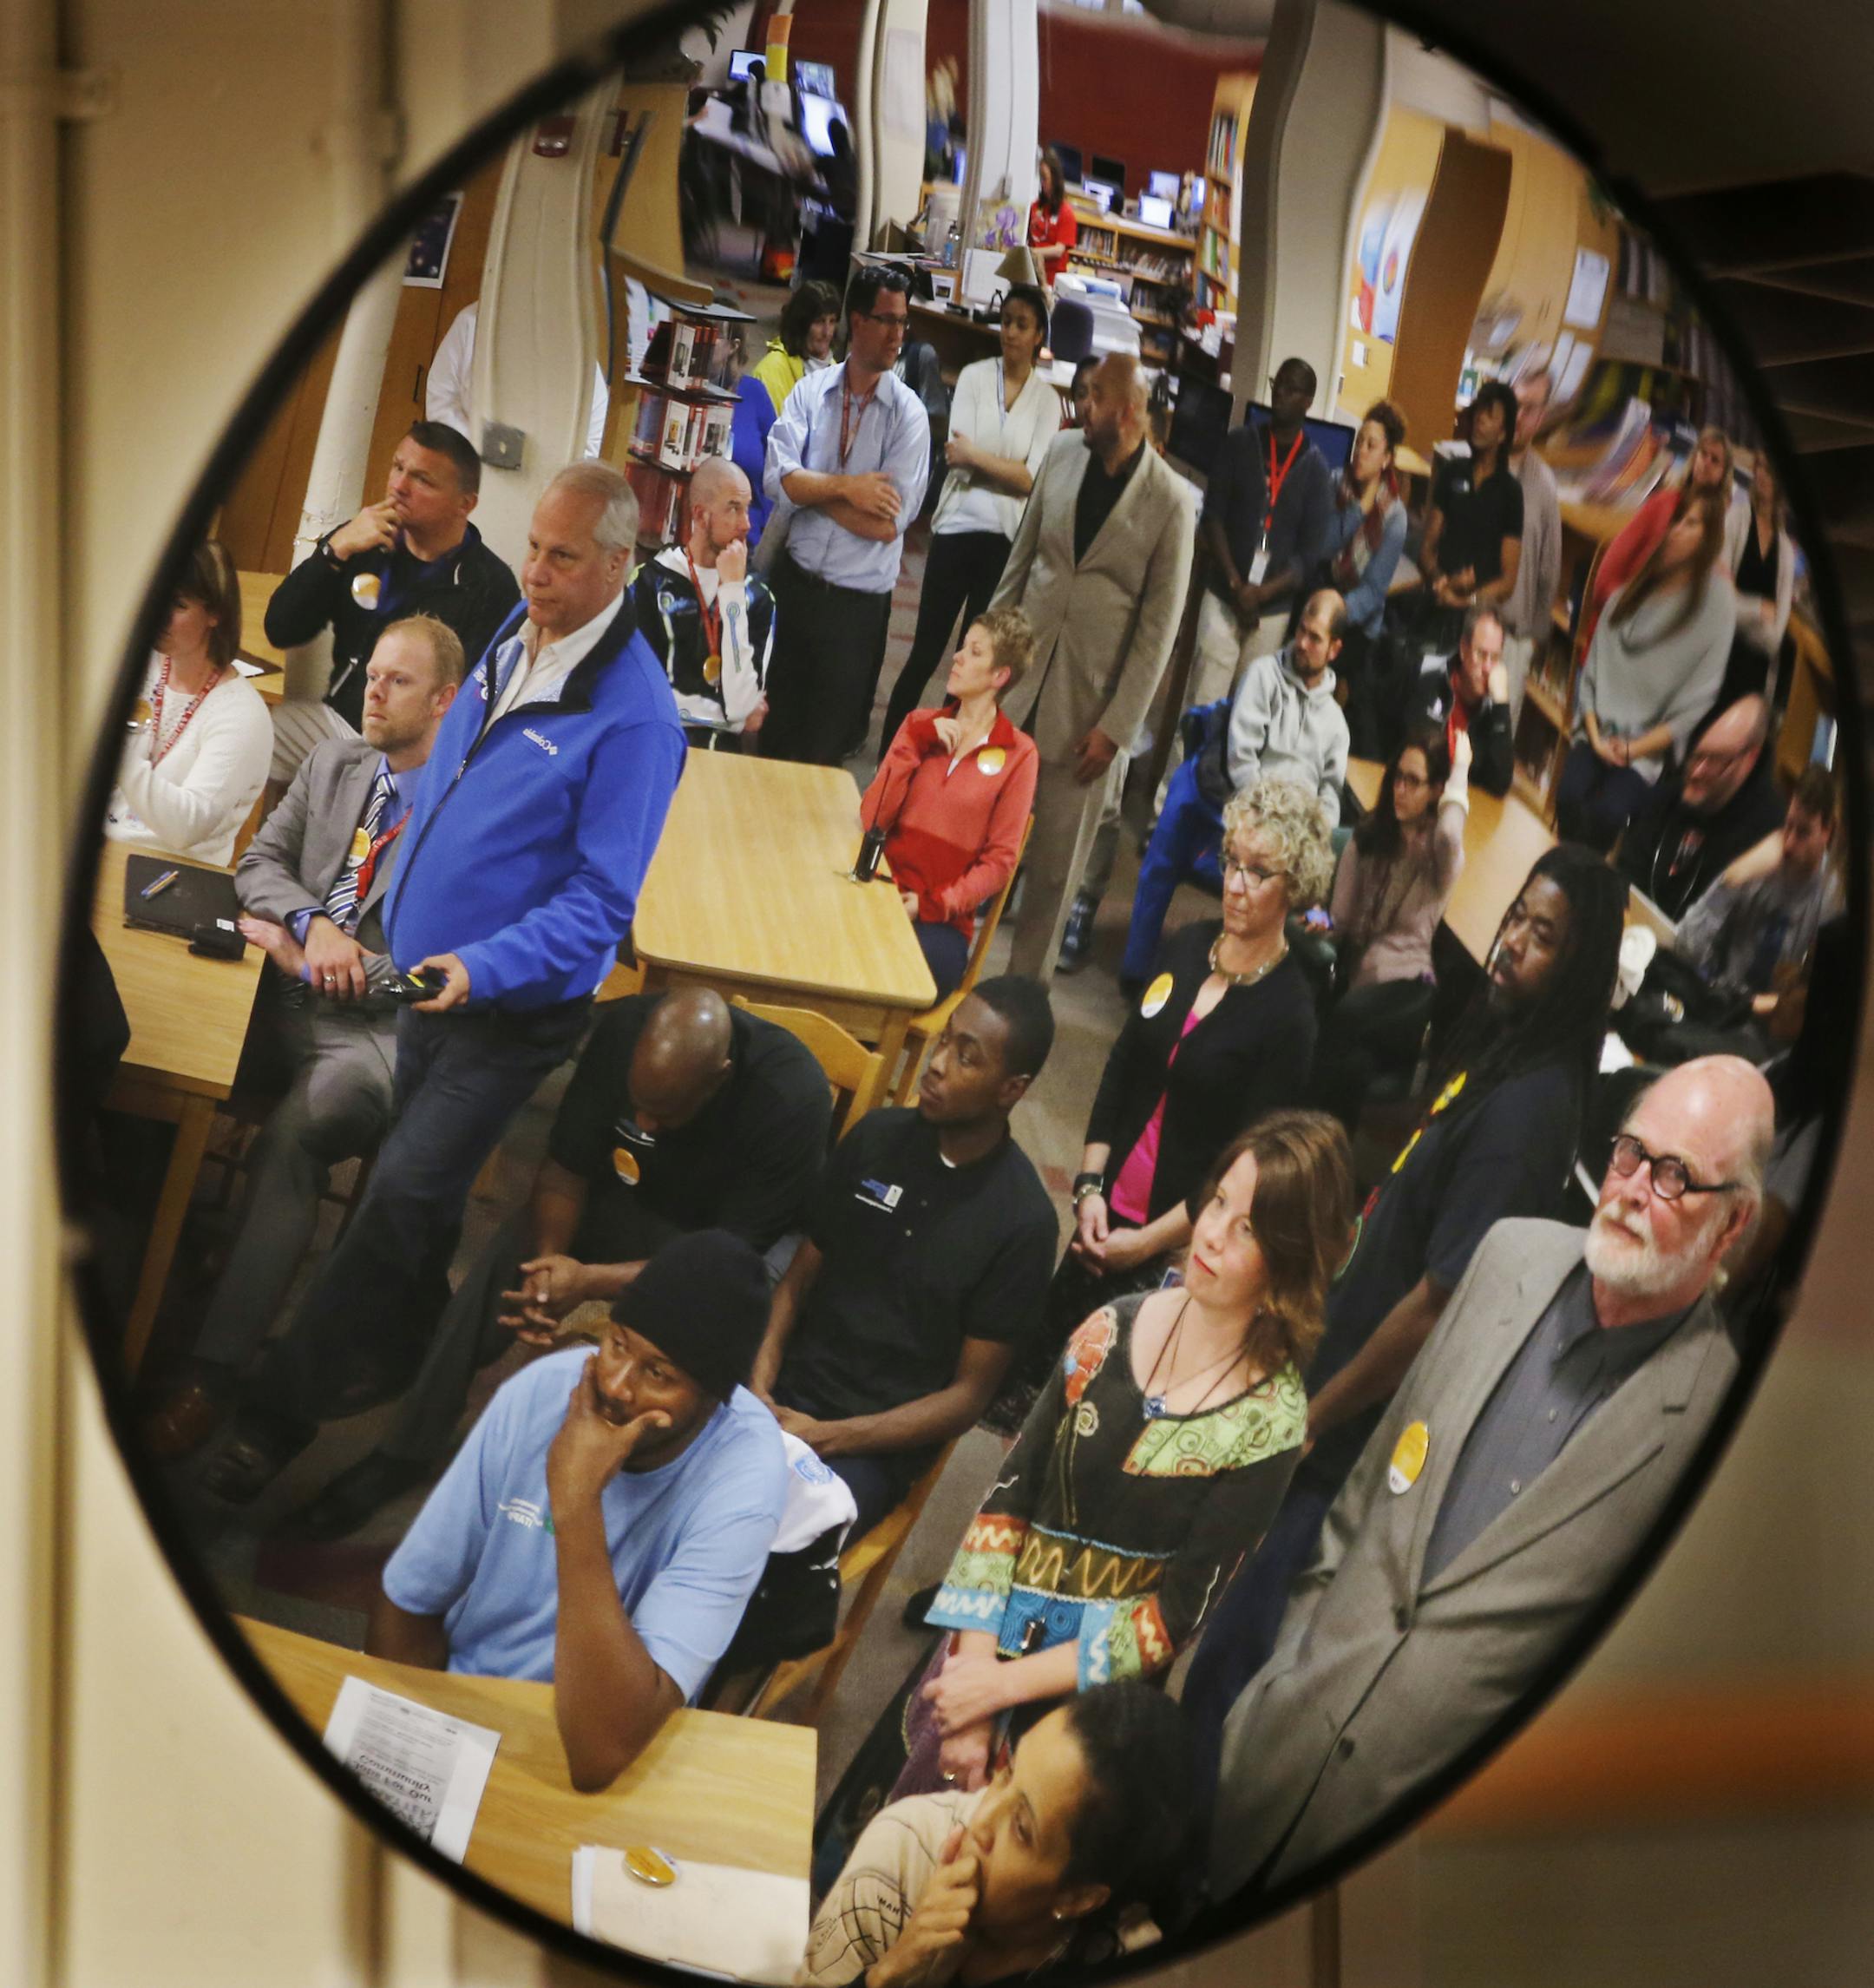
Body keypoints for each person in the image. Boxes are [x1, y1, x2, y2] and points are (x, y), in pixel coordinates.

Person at [202, 463, 686, 1502]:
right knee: (416, 1202)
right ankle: (423, 1350)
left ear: (618, 565)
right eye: (535, 547)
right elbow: (459, 770)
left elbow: (602, 904)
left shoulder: (637, 718)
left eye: (563, 557)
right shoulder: (523, 628)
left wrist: (484, 960)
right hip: (421, 984)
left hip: (504, 1011)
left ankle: (274, 1417)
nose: (536, 570)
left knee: (398, 1195)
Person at [1205, 1058, 1772, 1902]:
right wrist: (1287, 1665)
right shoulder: (1509, 1256)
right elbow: (1369, 1488)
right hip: (1275, 1756)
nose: (1630, 1189)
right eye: (1630, 1152)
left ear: (1732, 1225)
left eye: (1675, 1176)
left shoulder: (1717, 1434)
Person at [1180, 843, 1627, 1753]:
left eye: (1543, 936)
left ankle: (1186, 1818)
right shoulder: (1505, 1051)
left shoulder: (1527, 1113)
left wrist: (1316, 1417)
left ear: (1577, 969)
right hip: (1333, 1365)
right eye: (1516, 917)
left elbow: (1438, 1302)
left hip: (1355, 1423)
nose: (1510, 942)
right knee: (1226, 1612)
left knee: (1240, 1652)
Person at [274, 986, 833, 1539]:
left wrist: (587, 1281)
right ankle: (404, 1451)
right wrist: (552, 1266)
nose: (644, 1123)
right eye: (637, 1104)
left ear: (719, 1078)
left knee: (714, 1325)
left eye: (664, 1113)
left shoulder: (791, 1099)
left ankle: (641, 1513)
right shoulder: (622, 1032)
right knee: (511, 1258)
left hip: (728, 1250)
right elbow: (566, 1170)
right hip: (634, 1201)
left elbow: (727, 1262)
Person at [911, 1112, 1353, 1801]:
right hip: (980, 1642)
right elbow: (1007, 1499)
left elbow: (1173, 1617)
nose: (1212, 1232)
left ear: (1289, 1264)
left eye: (1249, 1229)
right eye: (1218, 1202)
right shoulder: (1111, 1324)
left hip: (1081, 1713)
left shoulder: (1270, 1425)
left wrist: (1000, 1687)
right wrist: (972, 1677)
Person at [139, 616, 464, 1461]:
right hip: (274, 985)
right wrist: (311, 926)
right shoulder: (334, 762)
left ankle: (210, 1375)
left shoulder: (467, 818)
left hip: (371, 1036)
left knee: (296, 1134)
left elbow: (437, 980)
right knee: (159, 1032)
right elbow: (258, 866)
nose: (373, 692)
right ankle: (142, 1253)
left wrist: (337, 966)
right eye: (373, 674)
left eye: (397, 681)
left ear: (445, 700)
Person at [368, 1230, 789, 1790]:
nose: (615, 1386)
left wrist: (576, 1500)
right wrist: (414, 1759)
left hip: (607, 1743)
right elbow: (409, 1603)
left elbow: (601, 1751)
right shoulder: (540, 1393)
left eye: (658, 1373)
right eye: (618, 1344)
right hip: (463, 1707)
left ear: (715, 1397)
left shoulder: (745, 1481)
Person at [994, 783, 1333, 1435]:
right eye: (1232, 862)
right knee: (1023, 1390)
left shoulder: (1290, 1016)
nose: (1235, 885)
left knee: (1094, 1413)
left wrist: (1146, 1244)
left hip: (1176, 1244)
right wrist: (1088, 1188)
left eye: (1258, 872)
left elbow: (1242, 1164)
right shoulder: (1187, 946)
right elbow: (1123, 1065)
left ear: (1294, 887)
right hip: (1103, 1214)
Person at [750, 979, 1058, 1535]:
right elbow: (796, 1282)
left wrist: (827, 1436)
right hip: (784, 1390)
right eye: (945, 1041)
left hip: (872, 1447)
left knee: (764, 1540)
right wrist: (760, 1379)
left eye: (966, 1058)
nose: (936, 1064)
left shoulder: (1024, 1223)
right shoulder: (875, 1137)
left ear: (1011, 1089)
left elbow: (968, 1398)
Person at [992, 353, 1196, 980]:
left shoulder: (1171, 503)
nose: (1083, 404)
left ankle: (1022, 1000)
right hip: (1017, 685)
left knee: (1053, 876)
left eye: (1095, 396)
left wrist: (1117, 728)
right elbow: (1020, 563)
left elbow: (1158, 632)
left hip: (1087, 717)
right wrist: (983, 658)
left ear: (1128, 413)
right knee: (977, 839)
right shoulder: (1061, 454)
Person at [802, 1685, 1194, 1988]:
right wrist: (886, 1976)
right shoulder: (902, 1854)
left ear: (1077, 1898)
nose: (981, 1821)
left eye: (1021, 1829)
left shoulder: (1132, 1967)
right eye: (1006, 1773)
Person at [263, 422, 519, 785]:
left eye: (422, 480)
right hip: (339, 723)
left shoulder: (490, 585)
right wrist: (334, 550)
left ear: (465, 504)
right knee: (249, 735)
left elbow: (474, 705)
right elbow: (281, 629)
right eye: (398, 467)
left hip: (414, 755)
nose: (399, 486)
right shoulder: (360, 540)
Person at [1119, 593, 1348, 990]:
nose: (1302, 643)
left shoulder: (1336, 723)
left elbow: (1331, 793)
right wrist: (1269, 826)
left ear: (1334, 649)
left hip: (1294, 840)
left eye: (1315, 638)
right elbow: (1242, 761)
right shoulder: (1264, 675)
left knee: (1317, 873)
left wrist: (1309, 835)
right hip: (1248, 814)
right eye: (1301, 631)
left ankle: (1246, 990)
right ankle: (1139, 972)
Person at [878, 283, 1060, 751]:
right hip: (957, 527)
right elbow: (957, 455)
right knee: (925, 651)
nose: (1010, 332)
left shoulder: (1047, 401)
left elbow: (1031, 479)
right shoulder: (977, 377)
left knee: (972, 662)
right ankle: (890, 753)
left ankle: (939, 760)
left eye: (1022, 325)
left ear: (1039, 335)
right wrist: (1002, 467)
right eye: (1007, 322)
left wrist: (980, 458)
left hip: (1005, 543)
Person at [761, 266, 930, 764]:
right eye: (887, 320)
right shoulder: (812, 392)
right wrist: (849, 489)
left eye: (903, 322)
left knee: (822, 754)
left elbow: (886, 525)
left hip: (855, 610)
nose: (898, 335)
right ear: (857, 322)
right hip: (795, 589)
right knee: (771, 737)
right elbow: (778, 480)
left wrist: (813, 491)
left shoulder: (909, 416)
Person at [862, 609, 1040, 1001]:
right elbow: (872, 818)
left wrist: (931, 905)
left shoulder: (1020, 754)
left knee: (893, 970)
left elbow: (999, 863)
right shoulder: (920, 724)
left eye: (974, 652)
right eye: (963, 647)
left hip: (941, 922)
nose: (957, 657)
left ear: (1000, 676)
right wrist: (914, 742)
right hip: (880, 891)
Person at [1307, 725, 1470, 1133]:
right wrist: (1319, 921)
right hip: (1363, 987)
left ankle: (1299, 1128)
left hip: (1409, 989)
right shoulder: (1368, 838)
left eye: (1413, 782)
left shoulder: (1439, 854)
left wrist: (1461, 772)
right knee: (1354, 1066)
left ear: (1436, 791)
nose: (1400, 789)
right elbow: (1341, 922)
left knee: (1342, 1019)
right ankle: (1324, 1149)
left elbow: (1451, 832)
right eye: (1398, 777)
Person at [1558, 485, 1735, 852]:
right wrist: (1595, 737)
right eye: (1678, 520)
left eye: (1690, 523)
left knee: (1606, 814)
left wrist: (1632, 749)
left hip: (1642, 755)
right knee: (1570, 796)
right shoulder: (1632, 593)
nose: (1677, 529)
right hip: (1595, 735)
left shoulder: (1715, 606)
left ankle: (1581, 880)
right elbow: (1592, 672)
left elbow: (1693, 709)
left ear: (1708, 540)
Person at [1185, 359, 1336, 726]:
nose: (1279, 393)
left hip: (1270, 614)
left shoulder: (1317, 471)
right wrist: (1237, 585)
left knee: (1245, 715)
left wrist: (1261, 594)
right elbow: (1213, 517)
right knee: (1202, 705)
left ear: (1308, 401)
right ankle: (1184, 768)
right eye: (1277, 383)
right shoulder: (1238, 443)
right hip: (1223, 595)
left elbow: (1308, 557)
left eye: (1291, 388)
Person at [105, 538, 272, 867]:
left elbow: (186, 828)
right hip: (107, 847)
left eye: (178, 605)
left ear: (215, 614)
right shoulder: (142, 667)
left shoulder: (242, 715)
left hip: (171, 870)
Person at [632, 456, 775, 750]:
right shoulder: (649, 583)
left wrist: (732, 591)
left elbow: (742, 707)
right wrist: (725, 719)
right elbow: (637, 696)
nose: (746, 524)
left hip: (723, 759)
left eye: (747, 508)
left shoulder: (757, 597)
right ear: (700, 515)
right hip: (654, 747)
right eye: (733, 508)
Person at [1676, 764, 1838, 1016]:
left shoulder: (1833, 898)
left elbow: (1821, 998)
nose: (1789, 843)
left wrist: (1766, 1005)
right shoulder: (1761, 861)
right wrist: (1730, 880)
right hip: (1721, 1002)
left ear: (1827, 832)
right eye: (1789, 826)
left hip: (1776, 1020)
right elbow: (1685, 946)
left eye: (1803, 832)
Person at [1614, 694, 1781, 923]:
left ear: (1748, 760)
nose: (1697, 771)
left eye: (1714, 760)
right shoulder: (1669, 796)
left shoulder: (1765, 837)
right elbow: (1625, 872)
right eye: (1697, 755)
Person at [1584, 425, 1740, 649]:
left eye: (1714, 460)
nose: (1705, 462)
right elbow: (1604, 580)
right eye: (1702, 453)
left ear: (1724, 474)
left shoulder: (1716, 536)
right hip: (1617, 634)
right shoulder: (1663, 504)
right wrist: (1633, 618)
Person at [1323, 399, 1409, 758]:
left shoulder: (1395, 516)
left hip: (1357, 621)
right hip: (1323, 594)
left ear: (1387, 458)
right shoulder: (1336, 482)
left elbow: (1373, 593)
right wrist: (1358, 509)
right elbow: (1324, 547)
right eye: (1359, 441)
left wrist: (1331, 614)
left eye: (1372, 445)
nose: (1361, 451)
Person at [426, 298, 608, 460]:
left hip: (545, 479)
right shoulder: (471, 322)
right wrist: (482, 450)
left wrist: (539, 466)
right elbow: (440, 399)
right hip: (467, 464)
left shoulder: (577, 351)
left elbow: (592, 442)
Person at [1416, 380, 1524, 651]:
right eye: (1478, 411)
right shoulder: (1452, 471)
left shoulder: (1510, 492)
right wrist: (1440, 580)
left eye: (1490, 414)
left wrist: (1467, 599)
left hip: (1477, 619)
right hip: (1435, 601)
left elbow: (1508, 582)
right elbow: (1427, 547)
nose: (1479, 419)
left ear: (1503, 433)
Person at [1500, 371, 1561, 728]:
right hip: (1460, 628)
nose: (1518, 416)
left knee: (1494, 745)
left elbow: (1548, 573)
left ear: (1541, 417)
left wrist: (1528, 645)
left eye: (1529, 408)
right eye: (1515, 404)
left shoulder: (1545, 487)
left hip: (1511, 642)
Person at [1405, 603, 1514, 798]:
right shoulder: (1431, 683)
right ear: (1463, 649)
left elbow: (1499, 785)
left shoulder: (1493, 712)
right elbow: (1420, 764)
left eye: (1495, 657)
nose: (1488, 668)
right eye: (1481, 654)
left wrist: (1502, 706)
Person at [1723, 450, 1797, 699]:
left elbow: (1774, 637)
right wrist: (1758, 609)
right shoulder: (1736, 519)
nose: (1762, 475)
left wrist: (1740, 608)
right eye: (1760, 467)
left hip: (1756, 677)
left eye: (1770, 471)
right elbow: (1720, 599)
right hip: (1720, 655)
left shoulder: (1785, 551)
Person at [749, 279, 841, 413]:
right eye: (819, 322)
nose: (827, 332)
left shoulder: (836, 372)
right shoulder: (769, 371)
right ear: (800, 324)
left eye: (832, 321)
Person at [1026, 148, 1079, 288]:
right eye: (1041, 178)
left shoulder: (1066, 213)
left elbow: (1058, 250)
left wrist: (1030, 253)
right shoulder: (1035, 207)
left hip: (1051, 281)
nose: (1042, 184)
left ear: (1055, 179)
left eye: (1045, 178)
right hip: (1031, 275)